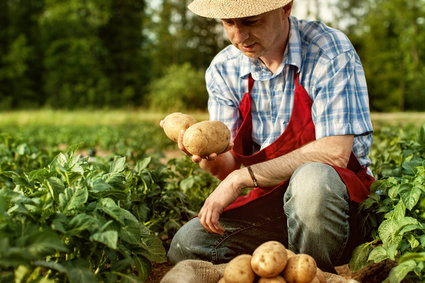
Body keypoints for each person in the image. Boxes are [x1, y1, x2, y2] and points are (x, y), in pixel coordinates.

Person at [166, 0, 375, 273]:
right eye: (229, 23)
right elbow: (226, 166)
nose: (239, 37)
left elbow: (334, 152)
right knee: (187, 243)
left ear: (285, 8)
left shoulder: (328, 50)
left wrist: (241, 177)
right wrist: (206, 156)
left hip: (336, 206)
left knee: (312, 180)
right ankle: (276, 266)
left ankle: (311, 272)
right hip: (271, 203)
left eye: (251, 21)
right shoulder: (223, 68)